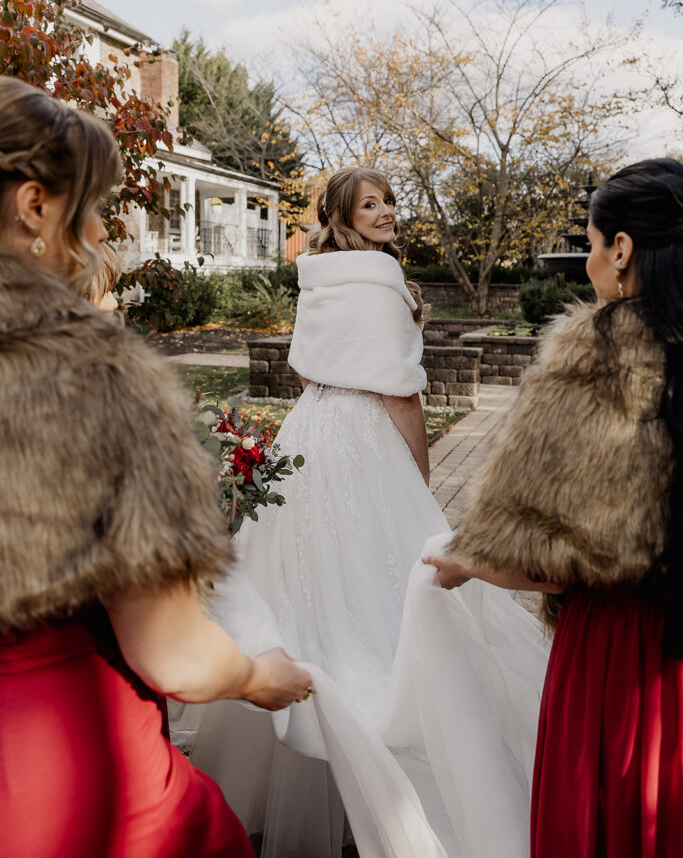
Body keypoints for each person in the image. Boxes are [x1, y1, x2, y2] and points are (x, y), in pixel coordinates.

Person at [179, 166, 551, 858]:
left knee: (301, 582)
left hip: (312, 428)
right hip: (366, 439)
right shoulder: (380, 283)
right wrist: (415, 477)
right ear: (343, 216)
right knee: (387, 588)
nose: (385, 214)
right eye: (369, 205)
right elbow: (402, 395)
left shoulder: (317, 279)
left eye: (387, 201)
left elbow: (308, 370)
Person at [0, 75, 312, 858]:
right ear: (35, 207)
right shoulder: (87, 373)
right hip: (53, 768)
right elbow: (172, 654)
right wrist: (253, 676)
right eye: (97, 207)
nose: (103, 232)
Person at [425, 158, 683, 857]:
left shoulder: (598, 355)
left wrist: (462, 563)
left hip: (622, 661)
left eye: (593, 244)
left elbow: (542, 564)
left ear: (621, 250)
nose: (591, 261)